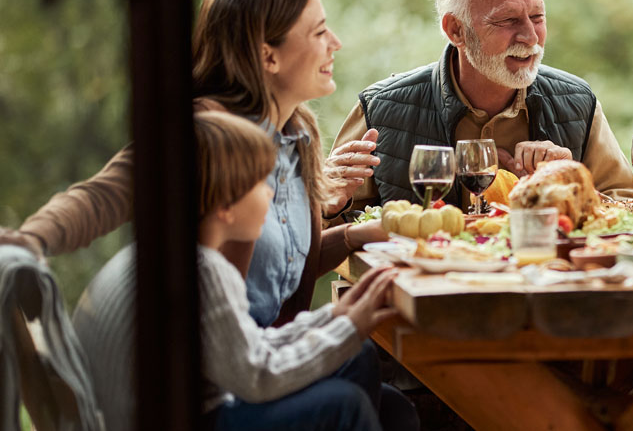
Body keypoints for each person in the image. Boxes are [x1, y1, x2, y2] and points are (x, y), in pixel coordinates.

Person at [16, 0, 386, 327]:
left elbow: (277, 273)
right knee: (362, 375)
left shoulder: (299, 135)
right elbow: (103, 196)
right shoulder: (204, 134)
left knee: (369, 374)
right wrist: (29, 241)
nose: (335, 43)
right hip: (228, 376)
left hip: (274, 358)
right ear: (267, 56)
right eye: (319, 32)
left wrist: (355, 234)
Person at [73, 111, 418, 431]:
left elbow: (245, 347)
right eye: (263, 184)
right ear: (226, 205)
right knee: (347, 404)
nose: (273, 195)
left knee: (376, 384)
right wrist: (348, 326)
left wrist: (336, 319)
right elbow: (254, 374)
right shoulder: (205, 270)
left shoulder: (180, 255)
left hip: (191, 398)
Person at [331, 0, 633, 210]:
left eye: (537, 17)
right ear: (456, 30)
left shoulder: (578, 103)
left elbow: (631, 214)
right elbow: (326, 232)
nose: (531, 36)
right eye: (508, 20)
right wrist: (332, 205)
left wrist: (567, 179)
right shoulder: (379, 109)